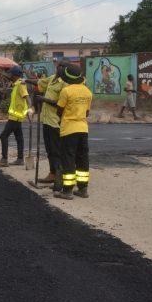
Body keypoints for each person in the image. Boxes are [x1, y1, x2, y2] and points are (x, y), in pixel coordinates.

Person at [54, 63, 93, 200]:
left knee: (68, 159)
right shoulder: (87, 92)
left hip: (69, 130)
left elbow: (59, 110)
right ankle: (83, 189)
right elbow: (87, 112)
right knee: (82, 159)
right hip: (83, 129)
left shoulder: (66, 91)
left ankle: (67, 191)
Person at [31, 62, 67, 192]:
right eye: (58, 67)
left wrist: (44, 100)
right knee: (49, 149)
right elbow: (40, 82)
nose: (59, 69)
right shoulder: (52, 78)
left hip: (55, 121)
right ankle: (52, 174)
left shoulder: (65, 84)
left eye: (62, 67)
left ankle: (59, 177)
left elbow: (61, 104)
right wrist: (26, 80)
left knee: (56, 150)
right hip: (46, 119)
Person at [0, 66, 32, 166]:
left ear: (15, 75)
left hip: (16, 117)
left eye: (11, 74)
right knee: (19, 137)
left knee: (3, 136)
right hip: (16, 116)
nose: (9, 75)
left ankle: (4, 160)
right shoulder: (16, 85)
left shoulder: (20, 85)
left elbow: (27, 98)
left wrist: (30, 109)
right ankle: (20, 159)